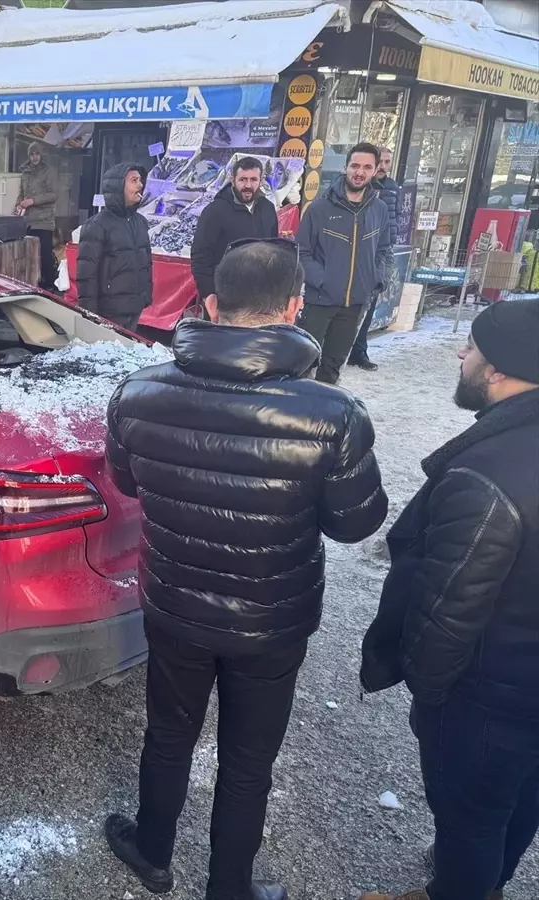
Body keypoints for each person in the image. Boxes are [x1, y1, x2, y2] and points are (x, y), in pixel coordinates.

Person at [103, 239, 388, 900]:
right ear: (294, 306)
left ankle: (151, 852)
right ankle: (229, 887)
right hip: (271, 618)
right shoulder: (333, 414)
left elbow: (127, 481)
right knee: (247, 761)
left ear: (210, 303)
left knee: (169, 733)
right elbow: (356, 523)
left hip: (173, 602)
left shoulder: (137, 391)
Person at [358, 299, 539, 900]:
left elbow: (449, 607)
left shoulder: (487, 473)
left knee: (471, 819)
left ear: (499, 369)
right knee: (519, 802)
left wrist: (430, 695)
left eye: (474, 348)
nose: (461, 354)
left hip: (492, 695)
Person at [296, 142, 394, 384]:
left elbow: (384, 251)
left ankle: (323, 416)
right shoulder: (320, 208)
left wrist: (375, 281)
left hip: (355, 305)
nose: (359, 172)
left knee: (333, 366)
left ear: (374, 170)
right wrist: (323, 280)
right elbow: (301, 252)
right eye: (355, 166)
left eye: (366, 167)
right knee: (303, 363)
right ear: (345, 167)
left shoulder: (379, 210)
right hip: (320, 302)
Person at [75, 163, 152, 330]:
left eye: (140, 180)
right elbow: (86, 275)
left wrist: (145, 295)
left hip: (135, 307)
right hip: (109, 311)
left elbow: (146, 263)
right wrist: (89, 313)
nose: (140, 185)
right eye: (134, 180)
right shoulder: (97, 226)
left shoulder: (141, 222)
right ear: (118, 187)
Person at [190, 156, 278, 301]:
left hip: (260, 296)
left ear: (261, 181)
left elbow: (273, 248)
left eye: (253, 180)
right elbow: (200, 257)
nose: (248, 185)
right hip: (225, 297)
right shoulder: (215, 211)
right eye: (242, 179)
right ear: (233, 180)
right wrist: (209, 295)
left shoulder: (268, 208)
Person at [348, 146, 401, 372]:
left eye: (388, 162)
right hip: (361, 247)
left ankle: (359, 350)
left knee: (372, 297)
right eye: (381, 162)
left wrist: (392, 236)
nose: (383, 167)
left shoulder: (391, 187)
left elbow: (395, 215)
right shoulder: (361, 188)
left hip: (383, 248)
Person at [17, 141, 59, 291]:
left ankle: (50, 285)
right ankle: (34, 282)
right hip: (28, 221)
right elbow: (22, 194)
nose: (34, 157)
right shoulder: (25, 172)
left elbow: (54, 195)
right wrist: (18, 206)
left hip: (44, 221)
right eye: (32, 154)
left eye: (37, 154)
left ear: (41, 155)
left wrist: (33, 201)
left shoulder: (49, 171)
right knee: (29, 255)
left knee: (44, 255)